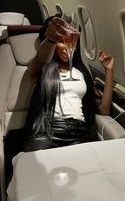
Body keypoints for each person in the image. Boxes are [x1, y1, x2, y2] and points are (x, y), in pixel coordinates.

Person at [23, 15, 114, 152]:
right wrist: (51, 39)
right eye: (61, 41)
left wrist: (109, 70)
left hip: (79, 132)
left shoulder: (81, 72)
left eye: (72, 41)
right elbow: (39, 60)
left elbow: (104, 109)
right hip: (46, 132)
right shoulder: (43, 67)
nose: (67, 47)